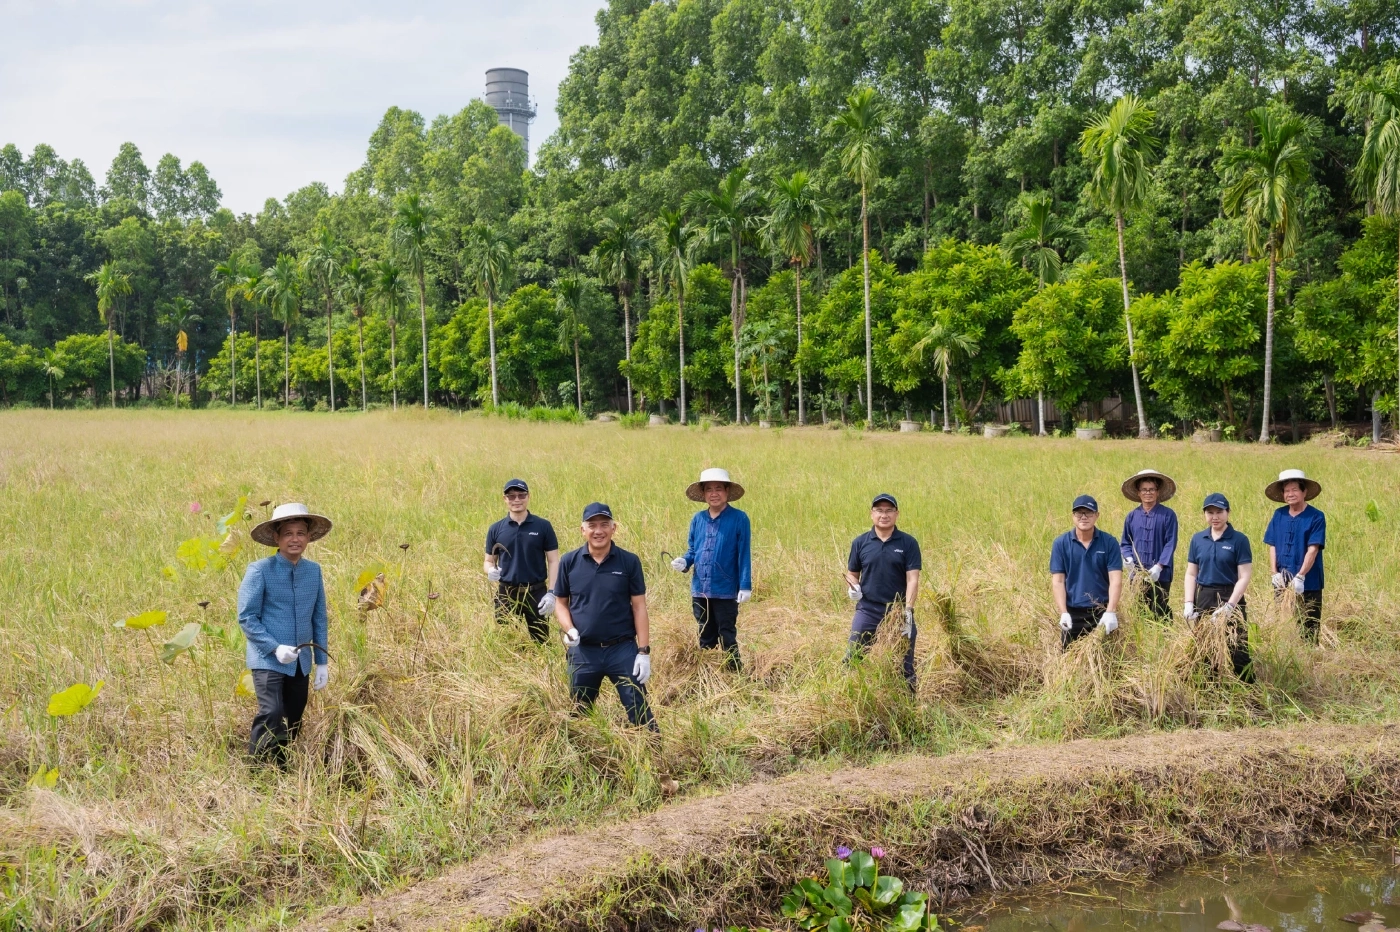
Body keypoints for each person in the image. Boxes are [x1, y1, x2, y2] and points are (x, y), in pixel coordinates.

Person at [238, 503, 333, 768]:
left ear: (308, 538)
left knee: (294, 715)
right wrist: (274, 647)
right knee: (271, 711)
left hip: (300, 660)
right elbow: (247, 617)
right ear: (277, 538)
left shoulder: (313, 571)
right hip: (267, 659)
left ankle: (280, 764)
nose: (295, 539)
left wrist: (321, 661)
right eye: (288, 533)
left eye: (300, 533)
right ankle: (255, 767)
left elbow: (319, 617)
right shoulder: (260, 570)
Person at [552, 502, 657, 731]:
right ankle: (583, 760)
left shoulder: (629, 561)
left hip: (622, 649)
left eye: (604, 525)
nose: (598, 531)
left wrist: (643, 652)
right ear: (583, 530)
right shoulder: (569, 562)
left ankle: (654, 755)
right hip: (583, 651)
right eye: (592, 525)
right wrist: (570, 630)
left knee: (639, 709)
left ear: (613, 528)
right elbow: (560, 604)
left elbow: (639, 607)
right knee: (579, 713)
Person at [671, 467, 752, 672]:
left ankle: (734, 672)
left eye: (718, 489)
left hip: (726, 589)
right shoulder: (698, 519)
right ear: (703, 494)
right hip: (700, 589)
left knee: (726, 633)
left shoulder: (739, 519)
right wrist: (685, 562)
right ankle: (708, 674)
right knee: (705, 632)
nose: (713, 494)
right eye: (709, 489)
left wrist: (745, 586)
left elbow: (744, 554)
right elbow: (693, 550)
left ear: (727, 492)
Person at [843, 493, 921, 689]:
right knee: (854, 656)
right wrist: (853, 587)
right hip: (868, 609)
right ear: (872, 514)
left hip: (898, 611)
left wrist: (908, 611)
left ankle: (908, 705)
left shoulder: (908, 543)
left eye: (889, 511)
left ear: (896, 514)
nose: (884, 515)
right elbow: (852, 573)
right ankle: (852, 699)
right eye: (879, 510)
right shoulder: (860, 543)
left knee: (905, 662)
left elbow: (913, 579)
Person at [1182, 493, 1255, 680]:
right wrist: (1189, 602)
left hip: (1230, 595)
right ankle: (1211, 691)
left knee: (1237, 646)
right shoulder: (1198, 539)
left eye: (1219, 512)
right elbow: (1191, 574)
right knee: (1205, 646)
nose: (1215, 517)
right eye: (1210, 512)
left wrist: (1230, 606)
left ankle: (1250, 693)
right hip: (1204, 596)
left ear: (1228, 513)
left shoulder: (1239, 540)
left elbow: (1244, 576)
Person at [484, 478, 560, 644]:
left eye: (521, 495)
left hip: (536, 592)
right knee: (507, 642)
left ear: (528, 497)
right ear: (505, 499)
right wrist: (490, 570)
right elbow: (489, 560)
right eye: (511, 496)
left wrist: (552, 593)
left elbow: (554, 561)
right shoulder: (496, 529)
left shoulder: (543, 526)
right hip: (506, 593)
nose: (516, 500)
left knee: (542, 642)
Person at [1050, 494, 1123, 649]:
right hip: (1073, 612)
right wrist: (1063, 612)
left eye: (1088, 512)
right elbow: (1058, 581)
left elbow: (1116, 580)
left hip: (1101, 611)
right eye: (1079, 513)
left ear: (1097, 515)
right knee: (1069, 660)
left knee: (1105, 660)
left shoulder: (1109, 542)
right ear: (1073, 516)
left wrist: (1111, 611)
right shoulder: (1061, 544)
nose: (1083, 517)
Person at [1262, 469, 1326, 642]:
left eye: (1294, 489)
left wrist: (1301, 576)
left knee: (1309, 624)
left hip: (1309, 580)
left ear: (1304, 492)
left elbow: (1313, 549)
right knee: (1283, 621)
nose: (1290, 494)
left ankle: (1310, 657)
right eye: (1286, 490)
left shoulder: (1316, 517)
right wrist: (1274, 572)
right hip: (1283, 579)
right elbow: (1272, 545)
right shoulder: (1279, 515)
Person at [1119, 469, 1179, 620]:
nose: (1148, 493)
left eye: (1152, 489)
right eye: (1144, 490)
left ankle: (1164, 638)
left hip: (1161, 574)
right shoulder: (1132, 517)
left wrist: (1159, 566)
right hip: (1137, 574)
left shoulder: (1168, 515)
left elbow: (1170, 543)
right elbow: (1125, 542)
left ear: (1158, 492)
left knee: (1160, 608)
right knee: (1138, 611)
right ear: (1138, 493)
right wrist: (1128, 558)